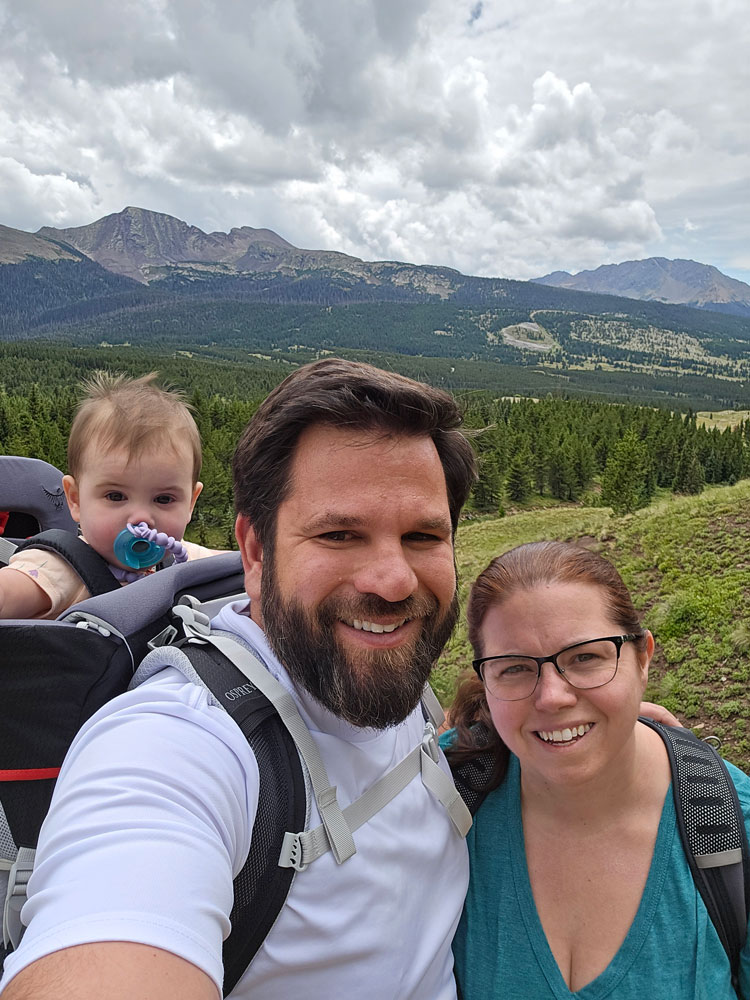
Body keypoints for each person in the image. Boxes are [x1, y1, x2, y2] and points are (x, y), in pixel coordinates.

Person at [0, 361, 678, 999]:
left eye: (421, 537)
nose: (392, 580)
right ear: (256, 551)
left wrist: (570, 721)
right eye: (340, 536)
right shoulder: (174, 746)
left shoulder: (376, 671)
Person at [444, 540, 750, 999]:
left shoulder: (732, 825)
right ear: (485, 682)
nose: (552, 697)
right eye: (514, 669)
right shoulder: (445, 793)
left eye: (585, 657)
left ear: (642, 658)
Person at [0, 372, 218, 620]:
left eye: (164, 499)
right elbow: (7, 594)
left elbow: (237, 565)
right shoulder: (58, 570)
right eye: (115, 496)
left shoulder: (182, 559)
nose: (140, 518)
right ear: (75, 500)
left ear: (191, 502)